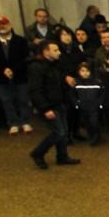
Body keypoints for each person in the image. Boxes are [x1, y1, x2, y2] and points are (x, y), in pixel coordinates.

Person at [28, 41, 80, 169]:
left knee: (64, 132)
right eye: (55, 50)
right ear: (46, 52)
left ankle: (62, 156)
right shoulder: (36, 67)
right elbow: (35, 90)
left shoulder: (55, 65)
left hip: (60, 103)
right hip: (49, 106)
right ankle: (38, 153)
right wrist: (45, 108)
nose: (59, 52)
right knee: (59, 133)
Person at [0, 16, 32, 134]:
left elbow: (26, 58)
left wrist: (13, 70)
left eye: (4, 23)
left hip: (20, 75)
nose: (2, 26)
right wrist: (3, 70)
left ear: (10, 25)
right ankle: (13, 122)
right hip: (0, 77)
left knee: (23, 99)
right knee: (6, 101)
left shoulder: (20, 40)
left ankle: (25, 121)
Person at [56, 27, 86, 142]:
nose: (67, 37)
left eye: (68, 34)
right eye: (63, 35)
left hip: (76, 82)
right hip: (63, 85)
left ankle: (76, 131)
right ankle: (66, 134)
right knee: (67, 111)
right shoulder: (57, 50)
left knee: (77, 109)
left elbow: (82, 63)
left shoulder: (76, 49)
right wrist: (65, 77)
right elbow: (56, 68)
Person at [73, 62, 103, 145]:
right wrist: (77, 104)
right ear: (79, 72)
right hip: (82, 107)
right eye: (82, 71)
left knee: (94, 122)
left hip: (94, 107)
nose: (85, 73)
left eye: (87, 71)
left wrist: (99, 104)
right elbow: (73, 94)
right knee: (87, 123)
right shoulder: (76, 82)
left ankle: (96, 136)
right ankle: (91, 135)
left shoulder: (97, 82)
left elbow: (101, 94)